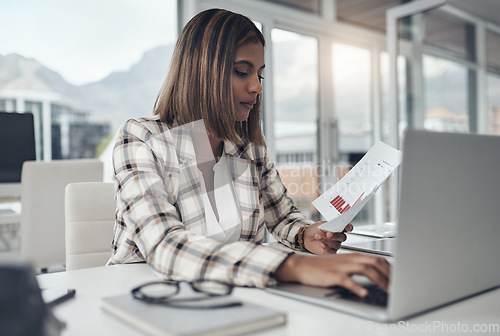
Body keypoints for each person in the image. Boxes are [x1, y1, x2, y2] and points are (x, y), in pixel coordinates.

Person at [108, 8, 390, 297]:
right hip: (147, 296)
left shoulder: (249, 145)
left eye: (260, 75)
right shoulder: (140, 138)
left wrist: (307, 235)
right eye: (242, 71)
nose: (256, 86)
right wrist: (295, 267)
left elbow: (281, 218)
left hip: (235, 295)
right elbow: (165, 246)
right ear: (201, 72)